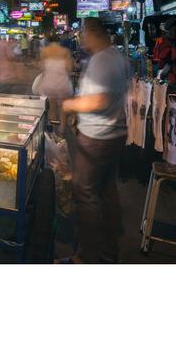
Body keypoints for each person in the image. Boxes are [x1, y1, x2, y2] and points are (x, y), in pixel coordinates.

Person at [59, 18, 130, 264]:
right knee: (107, 193)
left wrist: (69, 105)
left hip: (96, 139)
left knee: (85, 195)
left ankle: (86, 258)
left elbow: (98, 101)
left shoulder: (102, 60)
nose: (82, 39)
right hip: (114, 135)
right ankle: (108, 253)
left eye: (83, 34)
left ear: (92, 33)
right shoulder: (117, 57)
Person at [32, 33, 73, 123]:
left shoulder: (44, 51)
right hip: (62, 83)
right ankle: (62, 129)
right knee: (62, 107)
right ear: (59, 40)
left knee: (52, 108)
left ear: (48, 41)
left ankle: (54, 132)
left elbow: (41, 67)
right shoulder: (65, 51)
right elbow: (69, 68)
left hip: (49, 83)